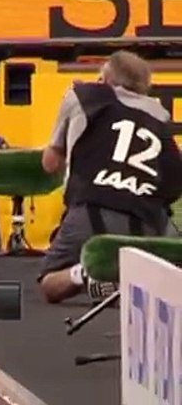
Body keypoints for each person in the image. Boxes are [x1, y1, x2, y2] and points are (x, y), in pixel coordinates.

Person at [38, 51, 182, 303]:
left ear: (105, 78)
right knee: (173, 260)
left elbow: (50, 163)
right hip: (146, 215)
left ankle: (84, 274)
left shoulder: (81, 97)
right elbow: (172, 186)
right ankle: (152, 274)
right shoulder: (161, 117)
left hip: (90, 206)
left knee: (50, 283)